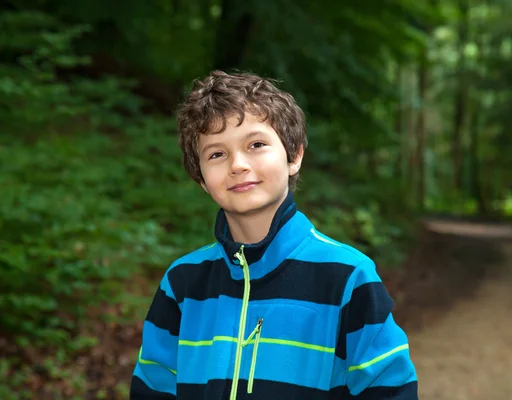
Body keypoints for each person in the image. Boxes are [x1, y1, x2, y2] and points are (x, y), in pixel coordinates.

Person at [130, 70, 418, 400]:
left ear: (294, 155)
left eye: (256, 144)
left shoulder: (347, 277)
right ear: (201, 178)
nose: (237, 164)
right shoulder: (182, 283)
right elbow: (151, 389)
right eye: (216, 154)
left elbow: (391, 390)